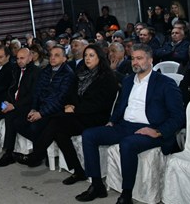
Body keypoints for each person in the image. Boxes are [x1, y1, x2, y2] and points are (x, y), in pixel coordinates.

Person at [77, 43, 184, 204]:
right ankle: (97, 185)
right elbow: (120, 105)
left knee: (127, 144)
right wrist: (112, 121)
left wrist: (158, 131)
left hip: (150, 128)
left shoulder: (165, 83)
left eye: (139, 58)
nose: (135, 62)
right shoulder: (128, 81)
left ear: (150, 60)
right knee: (89, 135)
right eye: (133, 58)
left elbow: (178, 116)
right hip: (124, 126)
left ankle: (126, 194)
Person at [19, 45, 118, 184]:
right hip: (80, 113)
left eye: (91, 55)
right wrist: (71, 105)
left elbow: (99, 104)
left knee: (56, 123)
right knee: (58, 130)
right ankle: (78, 171)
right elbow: (72, 94)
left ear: (100, 58)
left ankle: (36, 155)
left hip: (96, 117)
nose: (87, 58)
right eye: (86, 55)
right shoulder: (82, 72)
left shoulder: (107, 77)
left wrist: (75, 108)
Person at [15, 45, 76, 148]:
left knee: (34, 127)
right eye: (51, 55)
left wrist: (41, 113)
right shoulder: (46, 70)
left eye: (56, 55)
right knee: (18, 122)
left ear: (64, 59)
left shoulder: (68, 74)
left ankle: (38, 152)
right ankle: (40, 150)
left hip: (55, 111)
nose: (52, 58)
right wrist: (34, 108)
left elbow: (60, 100)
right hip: (41, 107)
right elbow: (37, 92)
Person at [0, 47, 40, 167]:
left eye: (22, 58)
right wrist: (7, 102)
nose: (19, 61)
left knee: (10, 116)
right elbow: (11, 89)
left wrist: (13, 106)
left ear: (30, 58)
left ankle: (8, 154)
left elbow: (32, 96)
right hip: (13, 103)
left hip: (27, 106)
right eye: (17, 58)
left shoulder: (36, 72)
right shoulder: (16, 70)